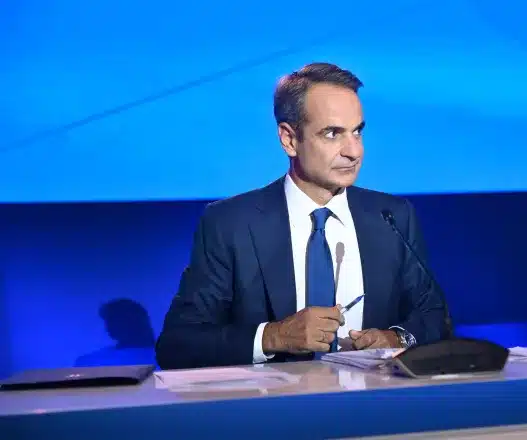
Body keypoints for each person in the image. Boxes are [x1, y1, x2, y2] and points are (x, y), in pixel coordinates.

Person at [155, 62, 450, 369]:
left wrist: (396, 338)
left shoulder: (392, 217)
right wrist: (274, 336)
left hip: (374, 396)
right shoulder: (231, 224)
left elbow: (434, 317)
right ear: (289, 139)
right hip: (272, 399)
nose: (354, 151)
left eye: (357, 132)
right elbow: (179, 344)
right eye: (332, 133)